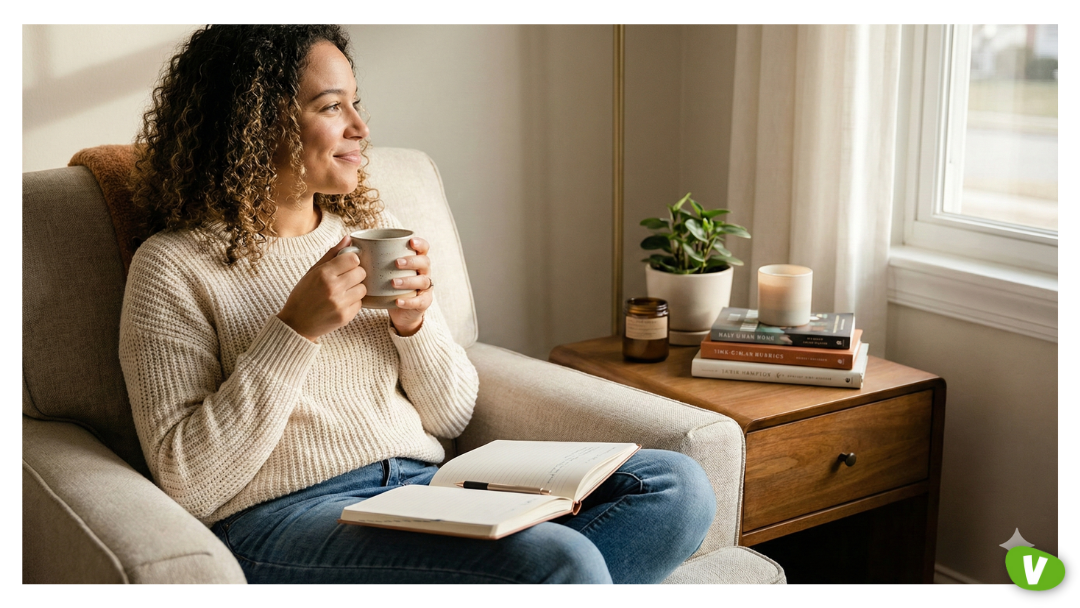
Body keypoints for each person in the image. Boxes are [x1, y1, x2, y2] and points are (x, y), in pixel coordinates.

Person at [120, 24, 715, 584]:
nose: (360, 126)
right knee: (559, 561)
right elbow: (190, 483)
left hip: (426, 485)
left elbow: (452, 416)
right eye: (331, 106)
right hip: (286, 517)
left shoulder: (373, 229)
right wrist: (294, 332)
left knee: (676, 487)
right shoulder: (172, 267)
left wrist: (414, 324)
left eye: (356, 103)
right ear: (252, 123)